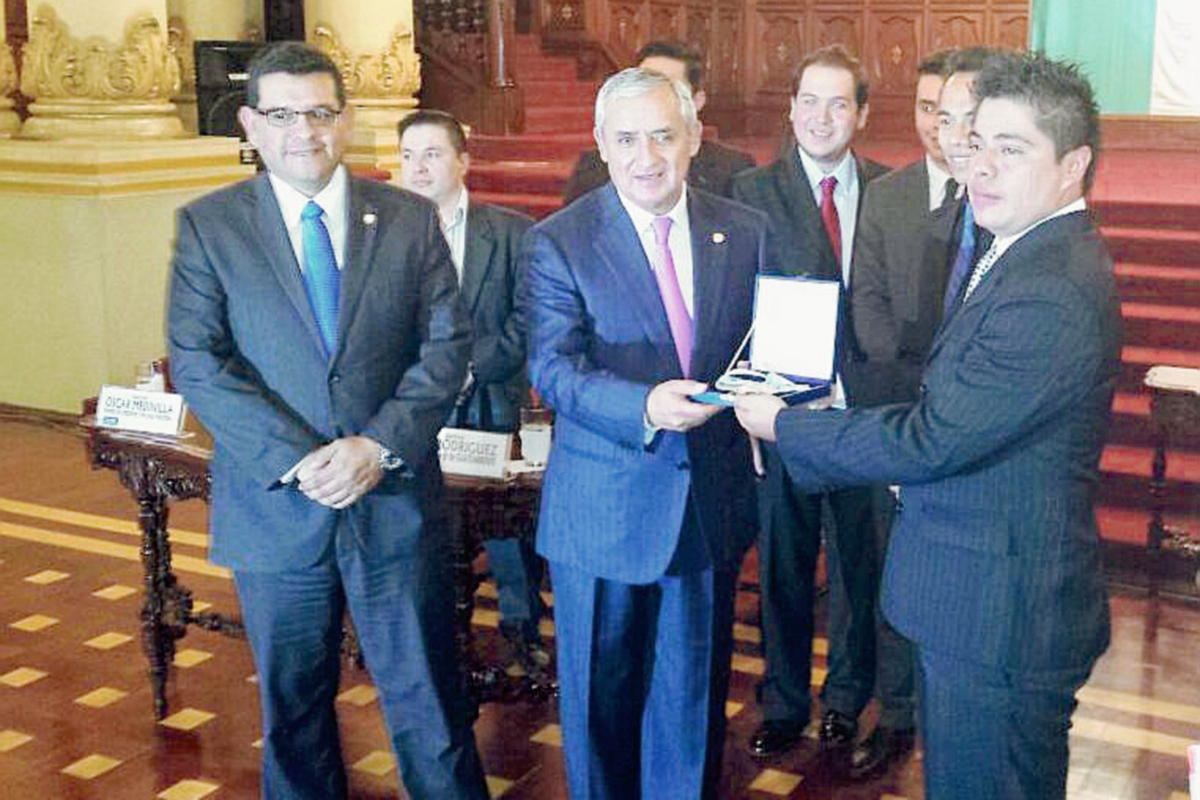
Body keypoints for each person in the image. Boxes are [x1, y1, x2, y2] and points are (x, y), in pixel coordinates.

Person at [735, 50, 1119, 800]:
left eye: (1011, 150)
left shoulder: (1050, 289)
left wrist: (787, 425)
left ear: (1073, 165)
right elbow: (944, 392)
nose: (980, 167)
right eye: (976, 144)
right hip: (983, 601)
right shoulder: (1022, 249)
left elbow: (932, 438)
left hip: (1001, 616)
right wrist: (836, 398)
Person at [167, 42, 490, 800]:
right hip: (278, 508)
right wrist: (307, 461)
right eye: (281, 114)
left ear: (344, 122)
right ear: (251, 121)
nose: (302, 131)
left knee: (430, 706)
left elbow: (448, 347)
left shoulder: (408, 219)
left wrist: (376, 447)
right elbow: (199, 360)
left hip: (394, 500)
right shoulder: (211, 226)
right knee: (295, 712)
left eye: (318, 112)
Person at [524, 67, 764, 799]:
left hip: (705, 508)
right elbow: (553, 370)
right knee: (600, 709)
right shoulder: (559, 242)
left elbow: (762, 344)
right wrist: (644, 407)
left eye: (664, 134)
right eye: (627, 139)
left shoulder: (743, 229)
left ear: (693, 137)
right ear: (601, 144)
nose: (647, 156)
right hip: (603, 509)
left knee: (690, 708)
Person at [730, 44, 889, 771]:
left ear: (860, 113)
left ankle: (848, 699)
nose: (821, 117)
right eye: (808, 101)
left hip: (862, 421)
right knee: (786, 569)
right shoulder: (747, 192)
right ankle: (786, 703)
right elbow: (732, 311)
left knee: (860, 570)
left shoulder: (891, 192)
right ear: (790, 108)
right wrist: (750, 411)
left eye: (838, 103)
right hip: (783, 420)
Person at [836, 48, 957, 780]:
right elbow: (867, 304)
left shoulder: (999, 192)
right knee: (887, 570)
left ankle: (947, 711)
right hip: (894, 414)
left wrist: (955, 387)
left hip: (971, 417)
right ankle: (896, 710)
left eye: (953, 112)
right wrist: (910, 382)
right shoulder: (887, 196)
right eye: (925, 109)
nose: (938, 126)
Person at [396, 109, 549, 678]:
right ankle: (425, 631)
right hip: (413, 408)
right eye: (408, 156)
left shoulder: (509, 232)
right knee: (419, 523)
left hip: (489, 401)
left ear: (463, 161)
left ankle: (520, 630)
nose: (419, 167)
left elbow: (528, 316)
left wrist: (470, 369)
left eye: (432, 154)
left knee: (508, 533)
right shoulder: (384, 233)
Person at [561, 41, 756, 204]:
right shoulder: (593, 168)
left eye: (667, 86)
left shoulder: (733, 170)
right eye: (643, 84)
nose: (652, 96)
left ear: (697, 101)